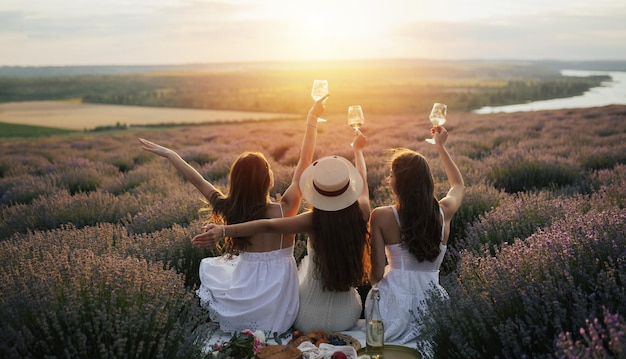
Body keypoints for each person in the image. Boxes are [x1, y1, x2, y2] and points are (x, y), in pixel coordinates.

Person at [138, 94, 328, 334]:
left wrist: (171, 154)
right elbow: (305, 161)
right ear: (266, 179)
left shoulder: (230, 208)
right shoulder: (284, 209)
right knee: (274, 327)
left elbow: (197, 179)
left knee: (216, 270)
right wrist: (312, 119)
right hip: (280, 304)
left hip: (244, 289)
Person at [194, 132, 371, 333]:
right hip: (348, 315)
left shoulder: (310, 221)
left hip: (306, 318)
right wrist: (358, 151)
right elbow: (363, 183)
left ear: (315, 189)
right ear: (351, 188)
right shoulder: (363, 212)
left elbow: (268, 225)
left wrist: (225, 230)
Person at [365, 125, 465, 344]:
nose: (388, 179)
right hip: (432, 305)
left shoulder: (381, 216)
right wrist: (441, 147)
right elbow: (458, 185)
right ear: (426, 180)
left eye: (391, 175)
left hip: (394, 306)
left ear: (398, 182)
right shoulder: (443, 212)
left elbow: (377, 274)